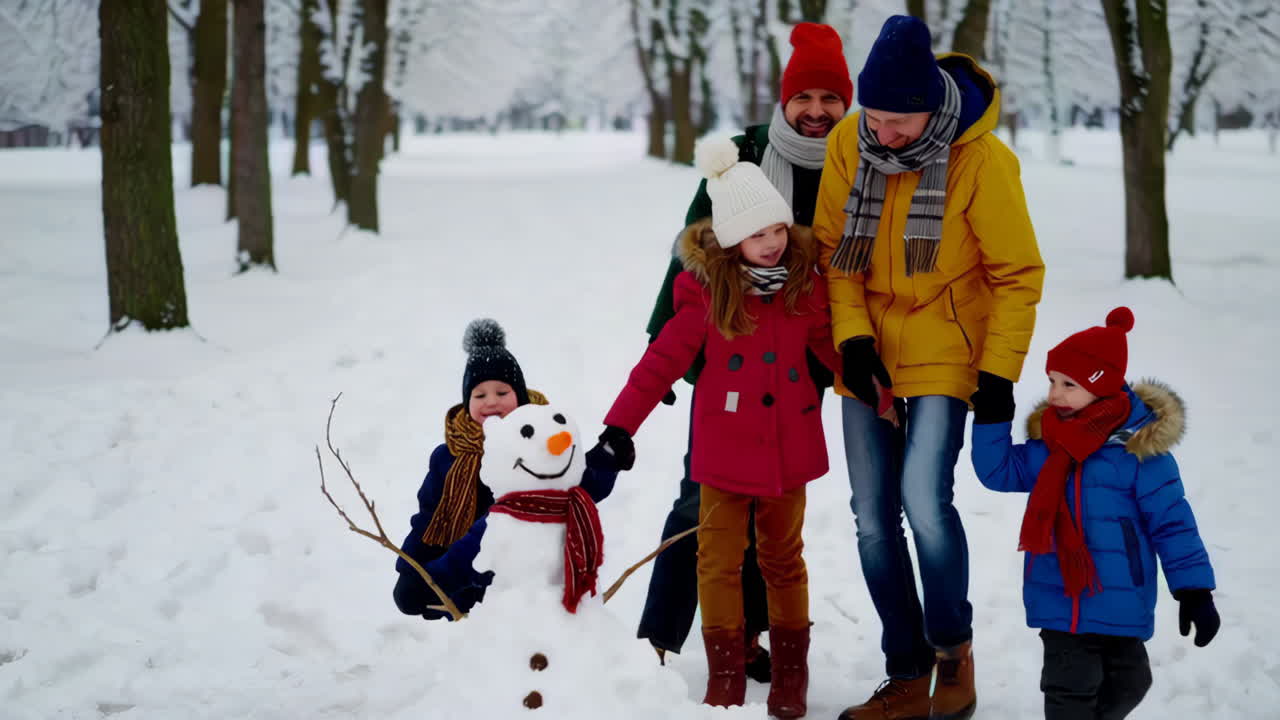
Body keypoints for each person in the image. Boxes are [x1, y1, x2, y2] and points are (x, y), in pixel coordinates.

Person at [595, 137, 890, 717]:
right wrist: (619, 428)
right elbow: (660, 365)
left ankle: (790, 676)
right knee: (718, 560)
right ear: (731, 239)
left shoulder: (801, 288)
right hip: (724, 453)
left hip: (789, 448)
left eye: (777, 229)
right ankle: (725, 673)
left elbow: (832, 352)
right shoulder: (704, 295)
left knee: (784, 559)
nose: (773, 242)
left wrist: (880, 393)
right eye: (758, 234)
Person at [811, 15, 1046, 720]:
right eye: (873, 118)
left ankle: (953, 649)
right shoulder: (852, 142)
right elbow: (832, 253)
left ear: (933, 108)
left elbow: (1017, 274)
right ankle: (906, 669)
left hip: (945, 344)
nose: (882, 135)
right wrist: (852, 342)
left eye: (899, 123)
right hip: (868, 345)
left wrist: (999, 375)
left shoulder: (983, 161)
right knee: (872, 519)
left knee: (924, 502)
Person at [637, 22, 854, 679]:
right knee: (700, 497)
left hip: (800, 354)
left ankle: (752, 639)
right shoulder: (742, 157)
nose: (816, 113)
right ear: (783, 103)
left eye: (830, 100)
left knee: (772, 502)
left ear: (847, 105)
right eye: (803, 100)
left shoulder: (855, 160)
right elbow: (696, 247)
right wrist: (664, 339)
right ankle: (662, 641)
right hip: (728, 349)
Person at [970, 307, 1219, 720]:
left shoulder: (1141, 453)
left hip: (1121, 599)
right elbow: (998, 471)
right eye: (1052, 382)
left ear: (1101, 387)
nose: (1054, 395)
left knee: (1132, 682)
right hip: (1060, 597)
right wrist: (993, 415)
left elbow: (1173, 524)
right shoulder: (1049, 444)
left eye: (1069, 384)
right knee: (1070, 690)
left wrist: (1194, 590)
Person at [392, 319, 626, 619]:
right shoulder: (447, 458)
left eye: (502, 393)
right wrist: (413, 572)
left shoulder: (541, 443)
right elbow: (428, 517)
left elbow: (579, 484)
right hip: (464, 586)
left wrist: (606, 459)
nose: (491, 402)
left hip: (525, 578)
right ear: (467, 401)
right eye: (479, 395)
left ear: (520, 397)